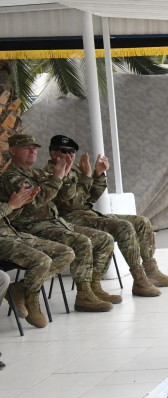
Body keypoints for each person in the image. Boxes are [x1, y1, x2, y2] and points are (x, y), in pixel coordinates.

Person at [48, 134, 168, 296]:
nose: (70, 155)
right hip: (69, 219)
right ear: (53, 153)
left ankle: (151, 270)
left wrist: (99, 174)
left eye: (73, 152)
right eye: (65, 151)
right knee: (124, 227)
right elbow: (70, 204)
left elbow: (90, 198)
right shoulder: (50, 174)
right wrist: (87, 177)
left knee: (142, 222)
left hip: (88, 214)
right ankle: (139, 280)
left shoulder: (72, 172)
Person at [0, 134, 115, 312]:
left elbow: (77, 199)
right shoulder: (12, 177)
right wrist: (58, 179)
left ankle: (91, 288)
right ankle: (83, 294)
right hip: (32, 226)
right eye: (26, 147)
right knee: (81, 242)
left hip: (55, 222)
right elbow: (34, 203)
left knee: (103, 238)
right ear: (12, 151)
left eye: (34, 148)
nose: (32, 151)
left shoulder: (38, 173)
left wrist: (88, 176)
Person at [0, 175, 73, 329]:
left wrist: (19, 205)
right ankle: (31, 298)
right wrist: (10, 206)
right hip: (2, 241)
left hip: (13, 234)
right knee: (42, 261)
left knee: (66, 253)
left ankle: (21, 288)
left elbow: (6, 218)